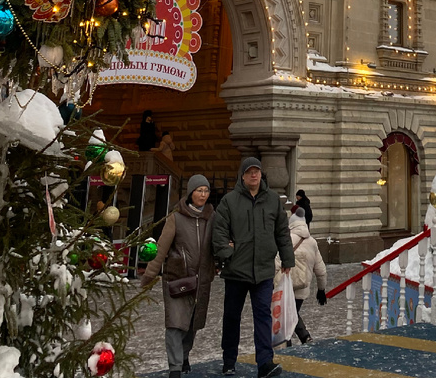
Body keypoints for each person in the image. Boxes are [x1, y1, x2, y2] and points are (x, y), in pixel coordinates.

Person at [213, 157, 294, 378]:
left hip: (263, 270)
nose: (254, 175)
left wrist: (288, 258)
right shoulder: (229, 201)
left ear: (261, 174)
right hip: (236, 271)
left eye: (257, 171)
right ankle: (229, 360)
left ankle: (265, 363)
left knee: (263, 316)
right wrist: (227, 254)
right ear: (243, 175)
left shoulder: (272, 200)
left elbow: (282, 231)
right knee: (232, 316)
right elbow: (219, 231)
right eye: (249, 172)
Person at [140, 175, 216, 378]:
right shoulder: (176, 217)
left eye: (206, 191)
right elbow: (161, 247)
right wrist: (150, 273)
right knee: (175, 323)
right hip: (177, 278)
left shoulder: (212, 217)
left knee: (192, 324)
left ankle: (183, 356)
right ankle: (175, 367)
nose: (202, 194)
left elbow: (218, 245)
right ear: (191, 193)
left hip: (201, 281)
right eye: (199, 190)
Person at [281, 210, 327, 345]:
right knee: (292, 313)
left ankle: (293, 341)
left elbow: (276, 263)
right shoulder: (312, 242)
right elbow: (321, 270)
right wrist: (321, 290)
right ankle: (304, 338)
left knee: (288, 315)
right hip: (302, 288)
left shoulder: (286, 239)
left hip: (285, 286)